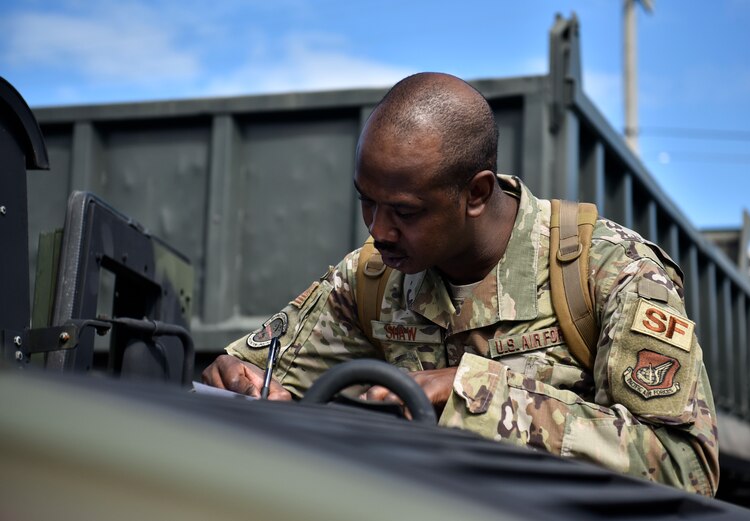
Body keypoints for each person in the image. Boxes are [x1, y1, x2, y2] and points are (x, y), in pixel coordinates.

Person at [202, 72, 719, 496]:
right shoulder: (370, 278)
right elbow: (246, 372)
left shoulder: (608, 271)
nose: (377, 230)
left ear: (476, 194)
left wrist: (475, 394)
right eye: (366, 200)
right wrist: (239, 381)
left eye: (404, 211)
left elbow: (685, 470)